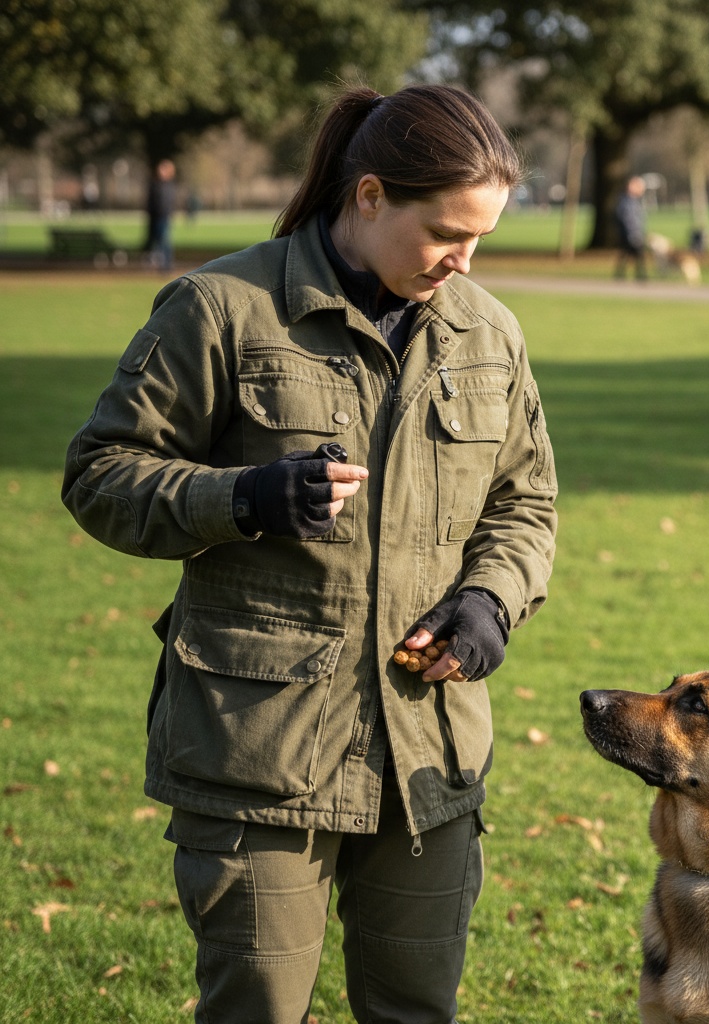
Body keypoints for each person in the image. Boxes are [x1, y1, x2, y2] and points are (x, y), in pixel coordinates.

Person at [62, 84, 558, 1024]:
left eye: (481, 239)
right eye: (447, 232)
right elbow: (99, 475)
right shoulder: (220, 308)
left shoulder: (488, 334)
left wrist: (490, 602)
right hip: (259, 752)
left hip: (427, 756)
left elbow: (525, 503)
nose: (463, 261)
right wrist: (243, 497)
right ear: (369, 197)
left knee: (416, 1011)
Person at [613, 174, 648, 280]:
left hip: (633, 233)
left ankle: (622, 275)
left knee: (627, 254)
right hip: (631, 233)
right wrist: (634, 233)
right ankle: (640, 276)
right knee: (635, 254)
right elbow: (628, 219)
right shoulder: (627, 201)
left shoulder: (632, 201)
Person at [145, 158, 177, 271]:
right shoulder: (156, 184)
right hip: (155, 216)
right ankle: (160, 263)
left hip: (163, 216)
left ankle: (166, 265)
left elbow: (167, 203)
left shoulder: (167, 186)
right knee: (157, 241)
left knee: (164, 241)